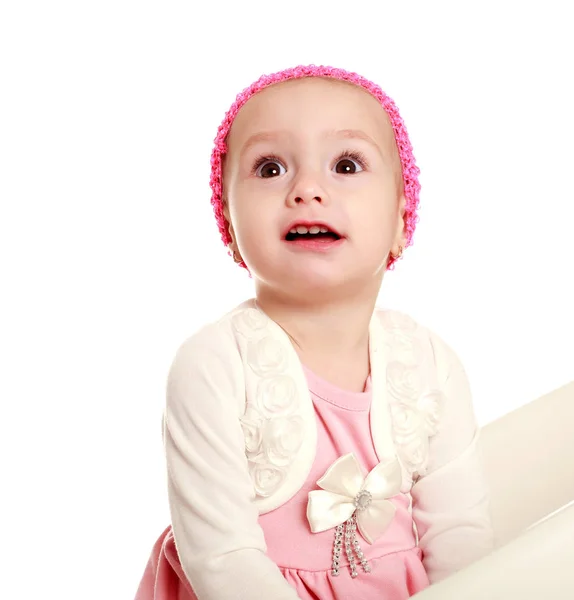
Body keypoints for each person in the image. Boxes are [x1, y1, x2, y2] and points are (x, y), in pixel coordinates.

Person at [134, 64, 494, 600]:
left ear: (401, 219)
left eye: (346, 164)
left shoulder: (429, 364)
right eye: (270, 167)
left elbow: (461, 538)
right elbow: (223, 560)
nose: (306, 189)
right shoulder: (213, 364)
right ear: (229, 226)